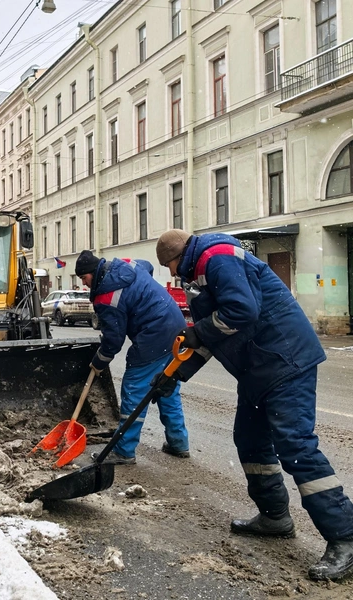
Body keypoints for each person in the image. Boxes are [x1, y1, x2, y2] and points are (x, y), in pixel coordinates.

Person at [156, 228, 353, 582]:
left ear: (177, 255)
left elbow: (241, 311)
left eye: (169, 265)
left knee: (296, 447)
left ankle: (346, 536)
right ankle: (275, 516)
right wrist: (176, 373)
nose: (171, 274)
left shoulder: (216, 258)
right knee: (249, 440)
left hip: (284, 360)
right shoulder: (201, 274)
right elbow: (213, 332)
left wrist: (199, 332)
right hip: (258, 368)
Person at [74, 249, 190, 465]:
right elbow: (147, 265)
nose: (84, 283)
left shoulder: (106, 297)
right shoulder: (127, 264)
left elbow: (114, 340)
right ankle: (178, 443)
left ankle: (124, 451)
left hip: (153, 335)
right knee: (167, 386)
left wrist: (99, 362)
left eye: (84, 278)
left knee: (134, 390)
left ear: (92, 272)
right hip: (176, 326)